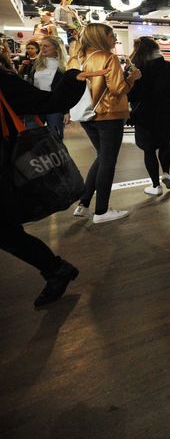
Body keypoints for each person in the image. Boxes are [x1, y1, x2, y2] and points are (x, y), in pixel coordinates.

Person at [1, 60, 107, 306]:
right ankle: (56, 269)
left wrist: (72, 79)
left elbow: (49, 102)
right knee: (6, 232)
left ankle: (56, 269)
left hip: (6, 169)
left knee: (6, 232)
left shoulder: (4, 82)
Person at [69, 22, 141, 223]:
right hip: (109, 114)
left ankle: (84, 204)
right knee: (108, 161)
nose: (114, 40)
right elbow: (119, 89)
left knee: (102, 157)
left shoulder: (76, 58)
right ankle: (101, 211)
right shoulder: (108, 58)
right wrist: (133, 78)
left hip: (85, 114)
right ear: (102, 38)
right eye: (111, 37)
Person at [127, 36, 170, 196]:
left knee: (149, 150)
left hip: (144, 114)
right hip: (166, 112)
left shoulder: (136, 69)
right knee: (165, 144)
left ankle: (155, 186)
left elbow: (129, 94)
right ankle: (166, 172)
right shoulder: (167, 66)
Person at [32, 36, 71, 137]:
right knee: (33, 138)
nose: (42, 48)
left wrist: (66, 111)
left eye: (46, 46)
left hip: (55, 106)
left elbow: (66, 92)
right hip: (37, 105)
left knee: (56, 138)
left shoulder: (63, 67)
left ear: (57, 48)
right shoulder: (36, 64)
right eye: (41, 46)